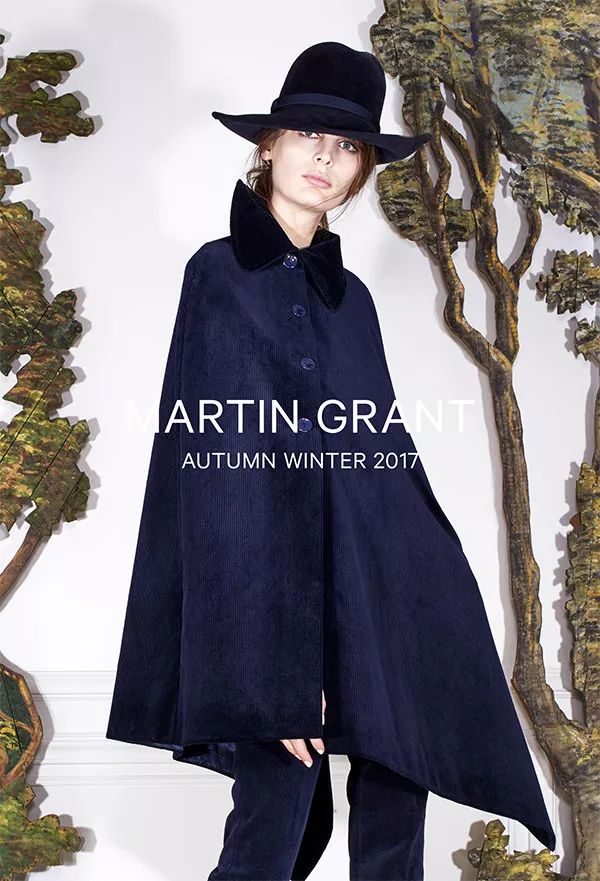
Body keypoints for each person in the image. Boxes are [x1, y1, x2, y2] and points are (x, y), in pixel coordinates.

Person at [106, 41, 556, 881]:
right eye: (309, 135)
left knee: (398, 795)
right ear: (269, 144)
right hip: (267, 619)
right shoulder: (218, 276)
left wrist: (426, 605)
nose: (325, 157)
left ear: (361, 170)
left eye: (347, 145)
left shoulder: (353, 301)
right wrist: (276, 674)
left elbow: (382, 462)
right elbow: (219, 485)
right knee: (273, 815)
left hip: (376, 597)